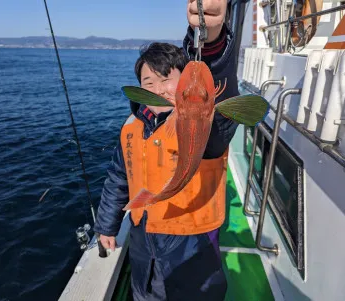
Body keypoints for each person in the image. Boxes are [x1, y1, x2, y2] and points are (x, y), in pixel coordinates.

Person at [94, 0, 239, 300]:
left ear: (184, 81)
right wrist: (107, 225)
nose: (158, 90)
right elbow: (119, 178)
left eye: (167, 80)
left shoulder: (203, 118)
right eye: (149, 82)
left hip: (191, 244)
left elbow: (217, 97)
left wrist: (211, 39)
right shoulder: (131, 127)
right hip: (143, 241)